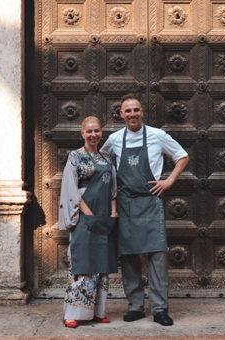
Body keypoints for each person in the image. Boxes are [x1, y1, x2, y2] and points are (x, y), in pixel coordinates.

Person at [101, 93, 189, 326]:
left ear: (142, 112)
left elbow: (182, 156)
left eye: (136, 110)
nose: (132, 114)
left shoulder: (158, 136)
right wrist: (112, 186)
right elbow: (103, 161)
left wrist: (168, 181)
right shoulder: (115, 139)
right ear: (121, 114)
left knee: (157, 256)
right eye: (127, 111)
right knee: (129, 256)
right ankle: (136, 307)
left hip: (150, 201)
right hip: (125, 203)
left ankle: (160, 309)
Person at [59, 116, 118, 328]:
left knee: (101, 264)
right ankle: (73, 313)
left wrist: (113, 213)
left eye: (97, 131)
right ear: (82, 133)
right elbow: (71, 189)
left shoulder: (107, 159)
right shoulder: (75, 157)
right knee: (83, 264)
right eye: (89, 131)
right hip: (84, 218)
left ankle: (97, 311)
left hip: (104, 218)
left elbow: (113, 190)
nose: (94, 135)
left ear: (102, 133)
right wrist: (88, 213)